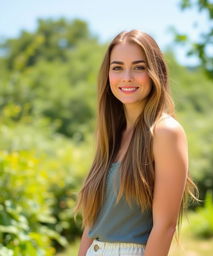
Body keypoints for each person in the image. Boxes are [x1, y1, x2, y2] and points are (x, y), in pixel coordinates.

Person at [75, 29, 198, 256]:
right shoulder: (112, 134)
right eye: (117, 67)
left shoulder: (165, 132)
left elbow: (165, 226)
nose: (127, 77)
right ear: (108, 74)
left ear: (156, 73)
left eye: (139, 67)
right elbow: (92, 224)